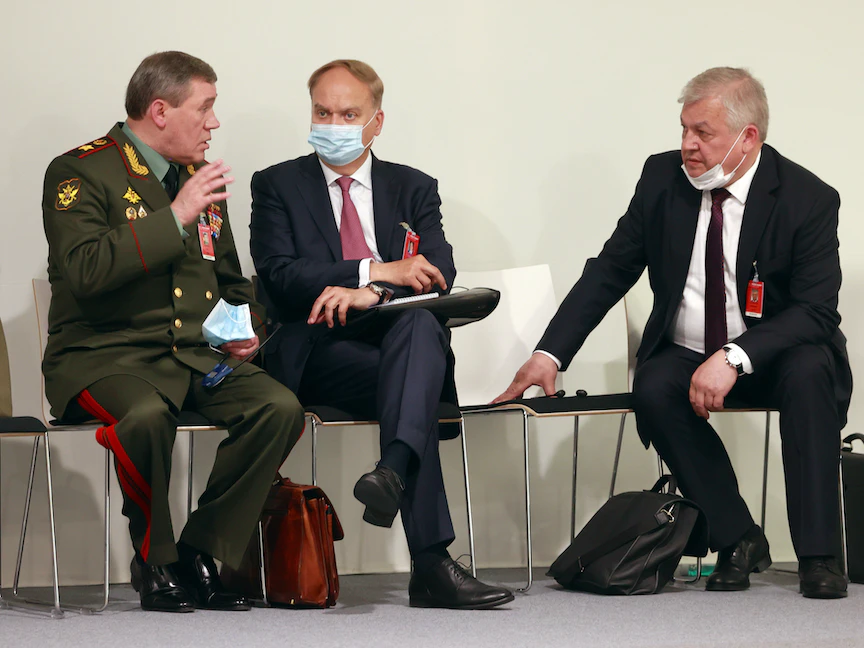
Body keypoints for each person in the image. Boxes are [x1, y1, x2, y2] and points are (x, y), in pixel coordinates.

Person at [496, 67, 851, 599]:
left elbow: (816, 311)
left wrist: (734, 357)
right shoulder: (662, 178)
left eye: (702, 133)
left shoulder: (808, 198)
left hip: (776, 354)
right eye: (684, 129)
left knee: (810, 372)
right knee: (655, 385)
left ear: (747, 137)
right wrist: (550, 353)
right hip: (687, 351)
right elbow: (611, 270)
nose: (687, 144)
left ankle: (819, 555)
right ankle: (738, 538)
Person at [41, 51, 305, 613]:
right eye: (204, 108)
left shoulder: (196, 180)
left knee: (278, 407)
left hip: (192, 357)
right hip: (101, 357)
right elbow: (85, 270)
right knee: (145, 415)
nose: (214, 123)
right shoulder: (78, 171)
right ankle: (153, 557)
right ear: (160, 111)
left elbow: (231, 282)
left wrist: (244, 329)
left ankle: (200, 551)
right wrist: (175, 216)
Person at [250, 59, 513, 610]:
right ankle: (431, 563)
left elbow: (439, 272)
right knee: (416, 384)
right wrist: (377, 269)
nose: (334, 125)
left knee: (416, 331)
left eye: (349, 114)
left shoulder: (413, 187)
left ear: (377, 121)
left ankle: (392, 472)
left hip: (395, 343)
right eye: (323, 112)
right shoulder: (276, 184)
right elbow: (280, 276)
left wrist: (373, 292)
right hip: (318, 347)